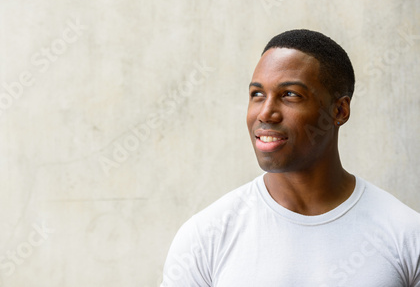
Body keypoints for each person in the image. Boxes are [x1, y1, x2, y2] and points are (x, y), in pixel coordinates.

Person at [160, 29, 420, 286]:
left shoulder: (406, 235)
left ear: (339, 110)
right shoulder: (206, 236)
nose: (265, 113)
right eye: (257, 95)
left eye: (290, 95)